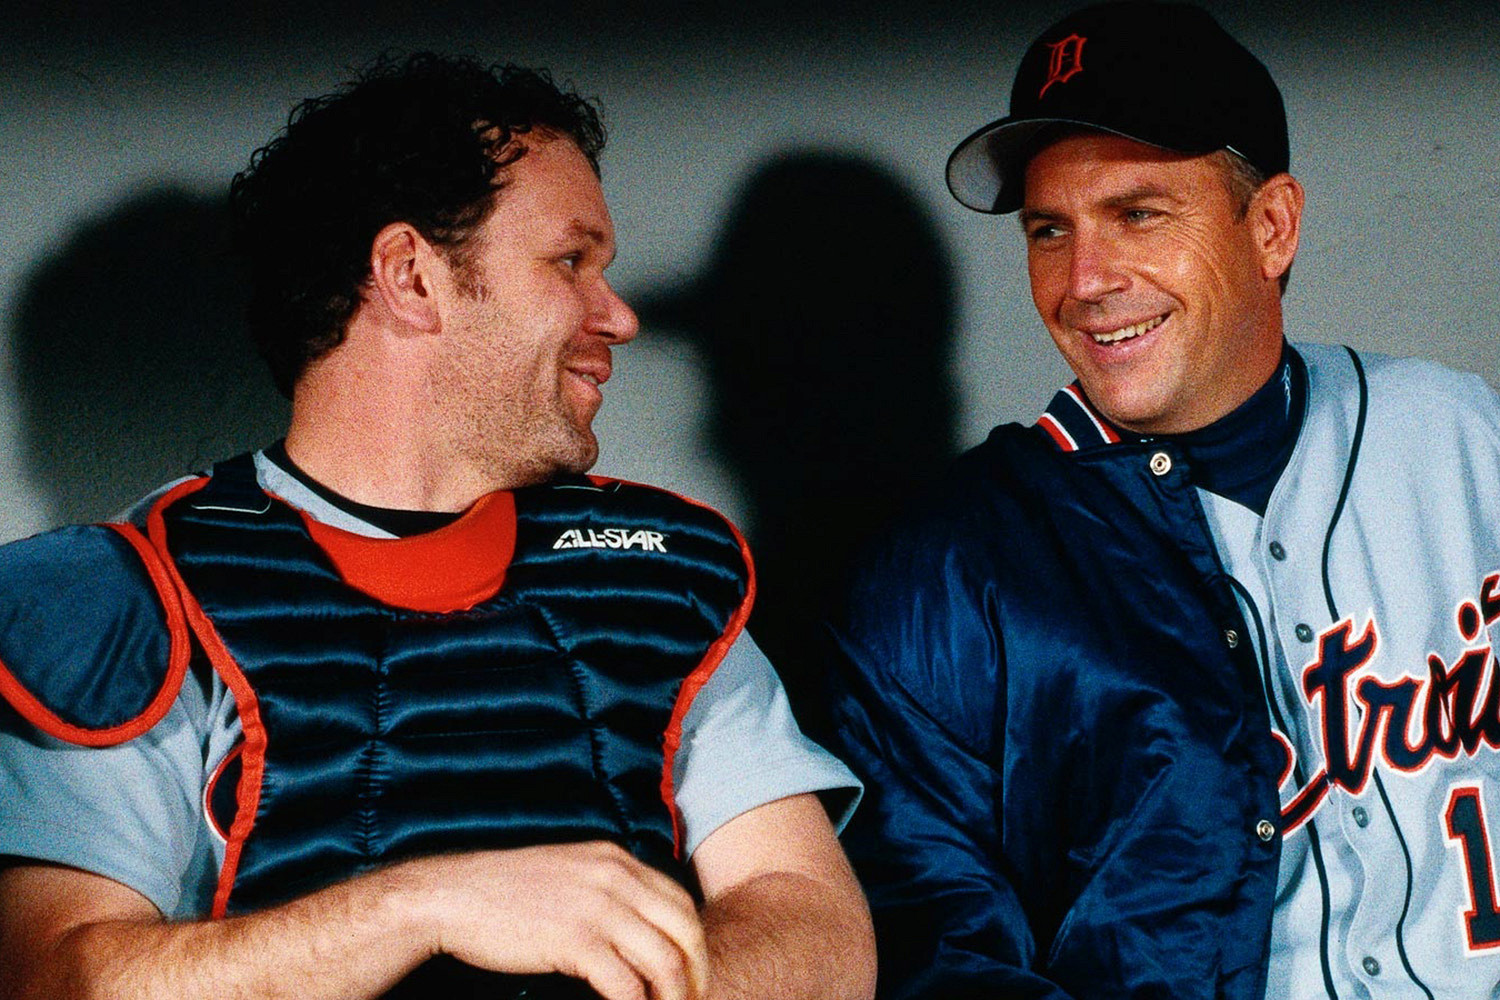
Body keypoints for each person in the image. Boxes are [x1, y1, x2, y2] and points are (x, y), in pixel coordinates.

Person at [0, 54, 873, 1000]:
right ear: (411, 276)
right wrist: (425, 905)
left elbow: (820, 933)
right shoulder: (128, 594)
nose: (618, 317)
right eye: (570, 262)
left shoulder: (662, 573)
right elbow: (56, 977)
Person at [826, 3, 1500, 998]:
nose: (1085, 280)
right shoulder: (943, 575)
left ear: (1271, 227)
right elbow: (936, 947)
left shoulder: (1463, 437)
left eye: (1137, 214)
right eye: (1050, 230)